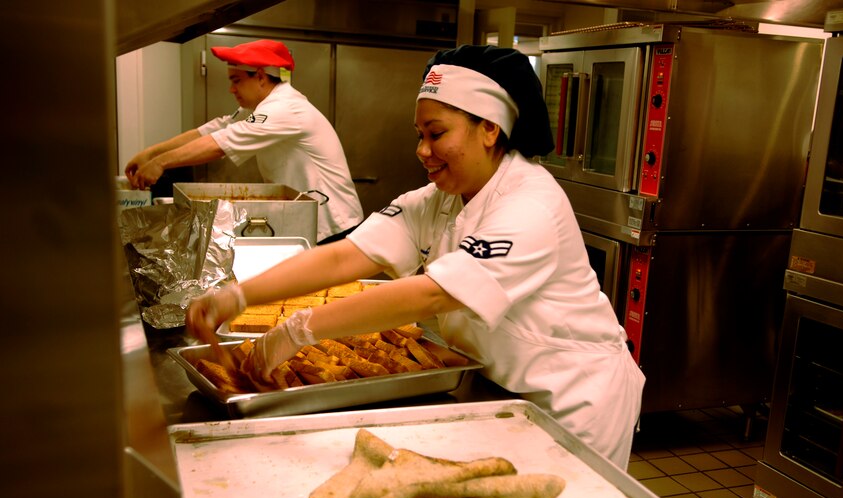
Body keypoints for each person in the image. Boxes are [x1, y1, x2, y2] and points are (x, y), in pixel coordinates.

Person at [186, 45, 645, 468]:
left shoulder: (529, 205)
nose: (423, 151)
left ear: (490, 128)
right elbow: (346, 257)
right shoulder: (440, 197)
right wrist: (239, 296)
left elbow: (431, 296)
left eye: (437, 133)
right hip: (500, 386)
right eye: (419, 134)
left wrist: (299, 330)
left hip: (572, 398)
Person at [124, 39, 364, 243]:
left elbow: (219, 144)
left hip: (334, 226)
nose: (231, 89)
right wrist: (152, 154)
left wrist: (161, 163)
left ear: (260, 77)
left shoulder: (285, 108)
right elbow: (211, 131)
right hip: (310, 221)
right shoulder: (262, 107)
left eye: (236, 80)